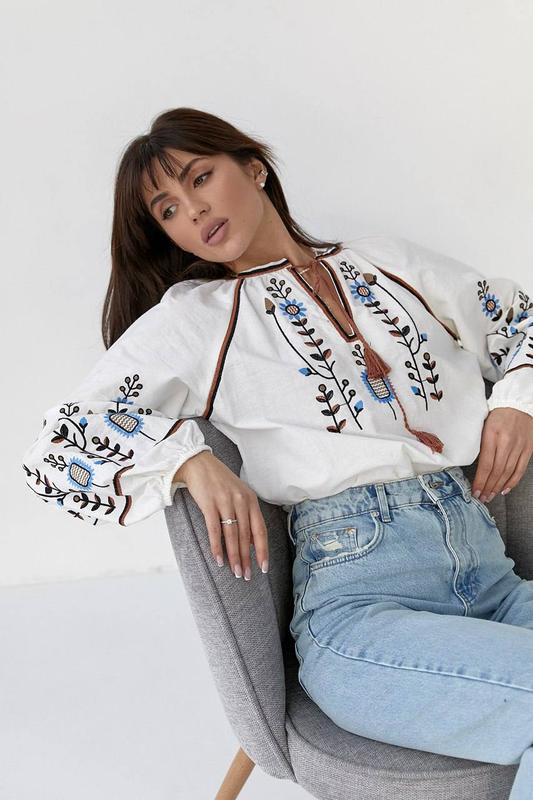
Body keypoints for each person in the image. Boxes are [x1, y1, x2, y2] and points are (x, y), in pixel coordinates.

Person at [21, 106, 533, 797]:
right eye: (168, 210)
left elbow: (521, 321)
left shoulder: (387, 262)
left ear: (254, 167)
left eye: (200, 178)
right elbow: (61, 444)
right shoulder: (195, 318)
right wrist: (187, 460)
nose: (192, 211)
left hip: (493, 581)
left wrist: (516, 400)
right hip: (362, 606)